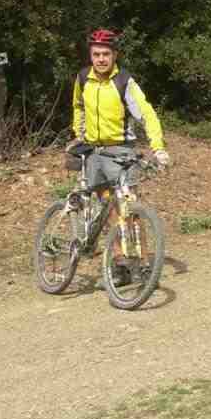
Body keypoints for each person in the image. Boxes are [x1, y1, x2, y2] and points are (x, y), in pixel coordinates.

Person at [66, 28, 170, 285]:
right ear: (90, 55)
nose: (101, 59)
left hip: (121, 152)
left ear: (115, 55)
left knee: (129, 209)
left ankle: (143, 266)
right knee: (108, 210)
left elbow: (147, 113)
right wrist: (79, 133)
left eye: (106, 54)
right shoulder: (83, 78)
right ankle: (120, 266)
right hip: (93, 153)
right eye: (96, 54)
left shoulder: (124, 82)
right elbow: (78, 106)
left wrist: (158, 147)